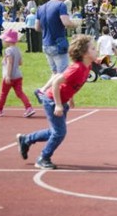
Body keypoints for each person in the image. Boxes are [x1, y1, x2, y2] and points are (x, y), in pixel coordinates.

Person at [17, 34, 96, 170]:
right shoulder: (76, 68)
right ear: (84, 53)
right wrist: (58, 105)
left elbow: (71, 85)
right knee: (59, 133)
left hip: (61, 99)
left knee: (55, 131)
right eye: (93, 49)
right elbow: (56, 82)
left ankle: (26, 139)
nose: (96, 51)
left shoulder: (87, 66)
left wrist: (71, 98)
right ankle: (43, 158)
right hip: (52, 100)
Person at [0, 29, 35, 118]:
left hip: (9, 76)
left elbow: (10, 63)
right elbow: (20, 63)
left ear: (8, 40)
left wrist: (8, 75)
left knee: (3, 93)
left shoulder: (8, 50)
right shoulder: (18, 49)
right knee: (20, 93)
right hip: (18, 75)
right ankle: (29, 108)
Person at [37, 0, 75, 75]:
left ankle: (51, 89)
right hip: (58, 44)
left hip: (46, 44)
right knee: (63, 74)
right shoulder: (61, 5)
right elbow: (66, 23)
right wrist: (75, 24)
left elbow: (37, 27)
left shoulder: (41, 8)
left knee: (54, 73)